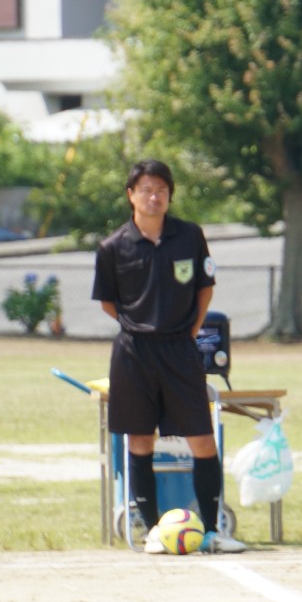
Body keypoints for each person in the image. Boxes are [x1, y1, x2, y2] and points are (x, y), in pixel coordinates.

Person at [92, 159, 245, 555]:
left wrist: (188, 330)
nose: (154, 196)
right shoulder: (112, 246)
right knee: (140, 439)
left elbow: (204, 287)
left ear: (170, 195)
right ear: (131, 195)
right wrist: (138, 325)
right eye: (146, 189)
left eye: (161, 189)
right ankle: (152, 532)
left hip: (181, 350)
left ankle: (212, 531)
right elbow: (107, 302)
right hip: (134, 352)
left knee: (202, 439)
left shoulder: (189, 236)